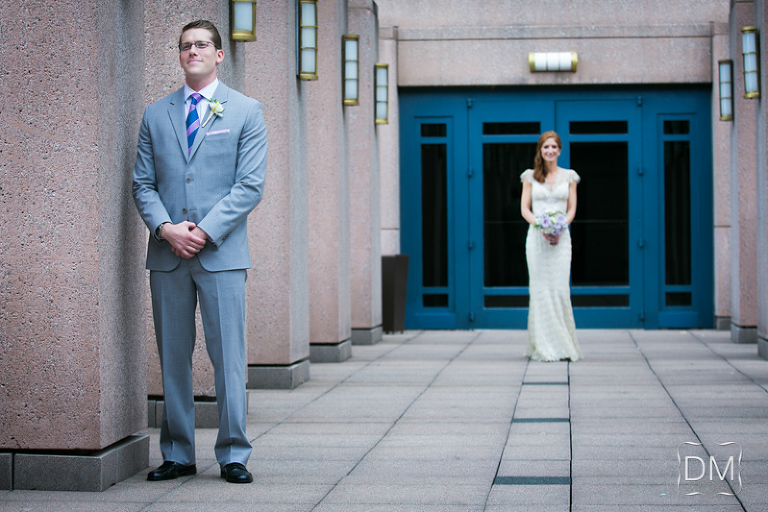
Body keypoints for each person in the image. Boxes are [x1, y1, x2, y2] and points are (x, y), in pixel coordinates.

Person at [132, 19, 267, 484]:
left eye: (202, 44)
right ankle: (178, 453)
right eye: (187, 45)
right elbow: (142, 184)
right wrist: (168, 229)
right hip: (168, 255)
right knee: (173, 356)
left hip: (222, 254)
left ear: (219, 54)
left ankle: (233, 453)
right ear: (180, 54)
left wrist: (203, 232)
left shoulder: (246, 111)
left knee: (228, 355)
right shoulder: (156, 114)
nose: (194, 51)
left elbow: (249, 187)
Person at [520, 131, 582, 362]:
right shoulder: (529, 177)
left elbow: (572, 209)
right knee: (540, 289)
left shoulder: (570, 177)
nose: (550, 151)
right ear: (540, 150)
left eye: (554, 147)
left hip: (561, 239)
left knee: (559, 289)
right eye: (546, 147)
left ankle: (563, 346)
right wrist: (540, 226)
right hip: (536, 240)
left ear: (560, 150)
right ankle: (543, 346)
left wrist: (558, 228)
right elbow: (525, 208)